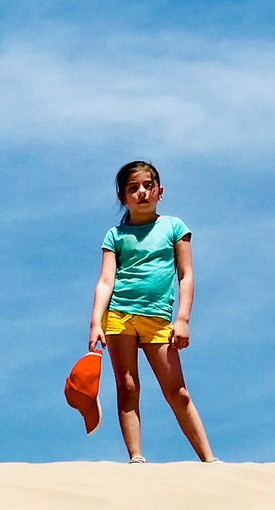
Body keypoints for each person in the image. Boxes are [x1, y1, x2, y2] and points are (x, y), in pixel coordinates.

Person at [88, 160, 217, 463]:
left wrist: (182, 319)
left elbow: (186, 275)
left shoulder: (174, 227)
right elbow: (106, 281)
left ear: (160, 191)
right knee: (128, 387)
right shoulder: (115, 236)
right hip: (120, 315)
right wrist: (96, 322)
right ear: (123, 197)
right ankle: (136, 457)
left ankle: (209, 460)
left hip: (159, 319)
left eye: (148, 186)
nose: (142, 193)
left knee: (177, 391)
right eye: (133, 188)